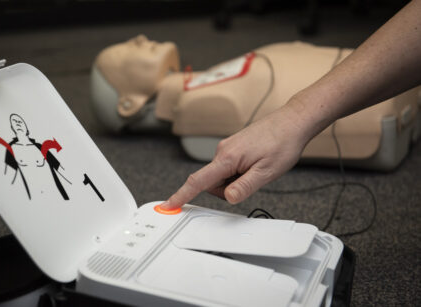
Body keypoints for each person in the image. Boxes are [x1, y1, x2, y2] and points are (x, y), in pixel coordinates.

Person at [161, 0, 421, 210]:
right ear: (129, 104)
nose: (139, 39)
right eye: (121, 54)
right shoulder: (205, 100)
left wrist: (295, 115)